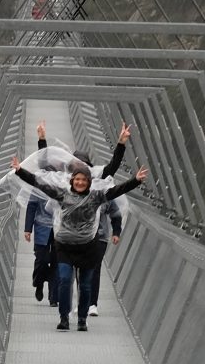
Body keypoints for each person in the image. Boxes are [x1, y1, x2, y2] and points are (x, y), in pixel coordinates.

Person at [10, 155, 147, 332]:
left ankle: (82, 318)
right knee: (65, 280)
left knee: (85, 284)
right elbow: (39, 183)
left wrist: (135, 180)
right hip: (65, 245)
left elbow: (117, 191)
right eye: (77, 179)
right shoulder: (62, 194)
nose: (80, 182)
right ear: (72, 180)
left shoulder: (96, 196)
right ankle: (64, 317)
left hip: (88, 247)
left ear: (89, 182)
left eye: (84, 180)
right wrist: (20, 171)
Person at [24, 121, 56, 305]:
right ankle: (38, 284)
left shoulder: (65, 181)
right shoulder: (40, 181)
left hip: (60, 227)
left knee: (58, 262)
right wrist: (28, 228)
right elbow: (31, 205)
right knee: (42, 260)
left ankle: (54, 296)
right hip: (43, 226)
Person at [88, 199, 122, 317]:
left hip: (100, 238)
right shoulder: (78, 192)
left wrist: (116, 233)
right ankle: (83, 301)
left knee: (95, 268)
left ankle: (92, 304)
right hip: (81, 237)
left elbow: (116, 214)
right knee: (82, 269)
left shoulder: (105, 196)